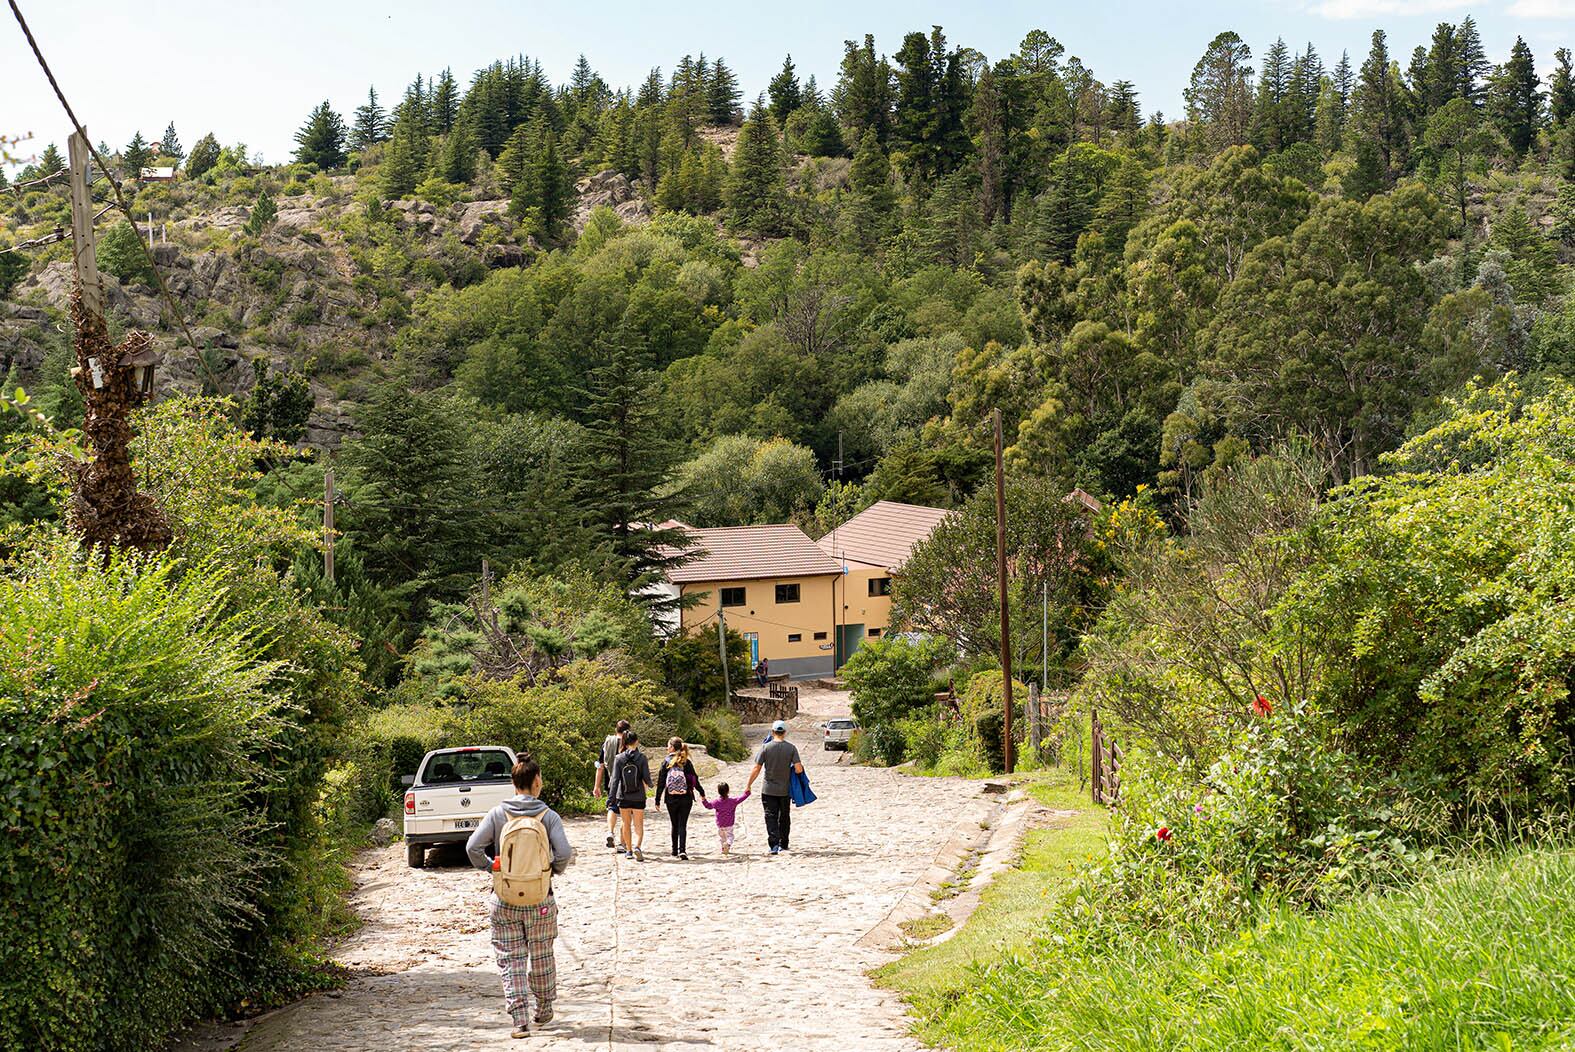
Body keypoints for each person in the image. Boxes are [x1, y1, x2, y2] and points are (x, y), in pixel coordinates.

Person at [466, 755, 573, 1039]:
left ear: (513, 783)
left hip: (504, 899)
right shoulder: (548, 816)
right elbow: (564, 854)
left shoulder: (497, 814)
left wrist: (493, 869)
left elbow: (473, 848)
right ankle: (544, 1008)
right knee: (542, 955)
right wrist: (550, 872)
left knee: (510, 960)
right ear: (537, 781)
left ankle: (520, 1022)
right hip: (540, 898)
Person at [744, 719, 803, 855]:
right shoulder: (791, 748)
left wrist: (748, 785)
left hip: (768, 789)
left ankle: (774, 845)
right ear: (784, 733)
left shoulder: (765, 748)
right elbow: (798, 769)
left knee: (770, 816)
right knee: (784, 816)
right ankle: (784, 843)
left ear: (773, 732)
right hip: (784, 790)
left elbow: (756, 768)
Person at [655, 737, 707, 859]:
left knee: (674, 824)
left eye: (668, 745)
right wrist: (701, 792)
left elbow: (661, 782)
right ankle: (682, 850)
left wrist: (657, 800)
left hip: (671, 797)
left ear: (672, 747)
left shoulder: (666, 762)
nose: (667, 748)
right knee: (682, 824)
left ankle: (674, 850)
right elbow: (695, 779)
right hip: (686, 798)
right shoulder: (686, 762)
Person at [609, 731, 652, 861]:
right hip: (638, 796)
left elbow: (615, 780)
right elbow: (647, 778)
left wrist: (611, 798)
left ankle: (628, 850)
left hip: (623, 796)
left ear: (625, 743)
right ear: (636, 741)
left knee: (625, 823)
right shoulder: (642, 758)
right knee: (638, 824)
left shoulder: (619, 758)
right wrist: (650, 784)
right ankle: (638, 846)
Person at [593, 719, 631, 851]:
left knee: (612, 808)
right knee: (626, 812)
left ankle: (610, 832)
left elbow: (600, 766)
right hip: (628, 783)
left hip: (611, 782)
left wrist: (596, 786)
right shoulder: (630, 742)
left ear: (616, 729)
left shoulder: (607, 743)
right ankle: (622, 844)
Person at [701, 781, 751, 855]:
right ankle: (728, 844)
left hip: (720, 824)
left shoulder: (716, 802)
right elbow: (742, 798)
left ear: (718, 791)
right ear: (728, 791)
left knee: (722, 838)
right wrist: (747, 792)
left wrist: (703, 799)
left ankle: (723, 849)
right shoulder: (733, 801)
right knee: (730, 836)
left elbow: (708, 806)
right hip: (729, 824)